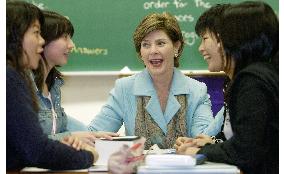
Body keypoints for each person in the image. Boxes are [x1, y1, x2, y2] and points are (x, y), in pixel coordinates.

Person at [88, 12, 221, 149]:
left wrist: (227, 108)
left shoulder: (196, 90)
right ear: (140, 52)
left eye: (160, 43)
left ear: (176, 46)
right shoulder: (124, 88)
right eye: (146, 45)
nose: (153, 51)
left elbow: (204, 138)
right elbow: (94, 134)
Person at [175, 2, 278, 174]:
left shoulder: (252, 81)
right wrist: (212, 144)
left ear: (235, 38)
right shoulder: (255, 76)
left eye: (221, 37)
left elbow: (247, 151)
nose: (202, 47)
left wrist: (200, 151)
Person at [7, 1, 98, 170]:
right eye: (36, 33)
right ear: (14, 34)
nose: (40, 41)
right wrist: (90, 155)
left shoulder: (53, 84)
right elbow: (37, 149)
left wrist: (86, 136)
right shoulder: (11, 78)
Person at [32, 10, 118, 146]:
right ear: (43, 40)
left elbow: (62, 125)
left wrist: (93, 135)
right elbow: (27, 143)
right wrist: (69, 137)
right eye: (65, 37)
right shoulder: (21, 85)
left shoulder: (53, 85)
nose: (71, 45)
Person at [175, 4, 231, 149]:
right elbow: (227, 138)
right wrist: (201, 142)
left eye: (205, 38)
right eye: (145, 45)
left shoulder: (251, 84)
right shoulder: (232, 83)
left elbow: (247, 149)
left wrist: (205, 147)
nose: (200, 48)